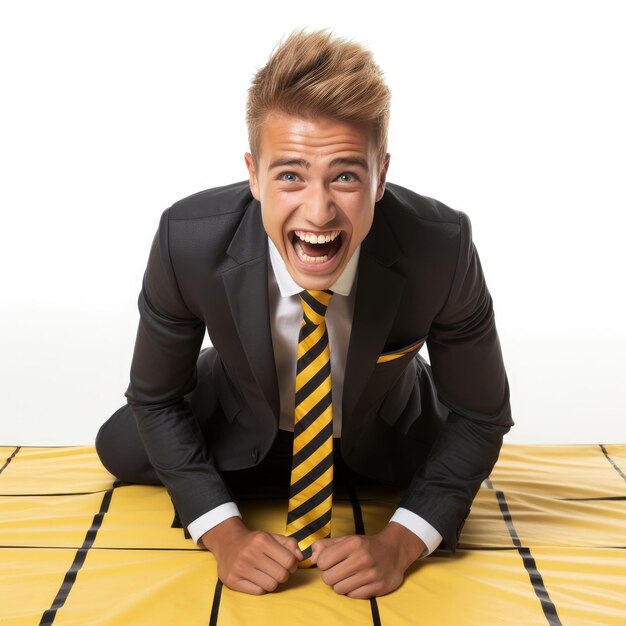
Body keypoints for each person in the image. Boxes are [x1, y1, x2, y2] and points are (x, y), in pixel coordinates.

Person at [95, 28, 513, 599]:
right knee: (119, 445)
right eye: (290, 174)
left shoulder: (441, 245)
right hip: (238, 428)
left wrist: (402, 540)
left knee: (455, 468)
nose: (318, 211)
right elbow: (156, 399)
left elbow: (481, 414)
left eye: (345, 175)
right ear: (253, 174)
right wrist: (222, 530)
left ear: (381, 175)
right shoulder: (186, 239)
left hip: (385, 435)